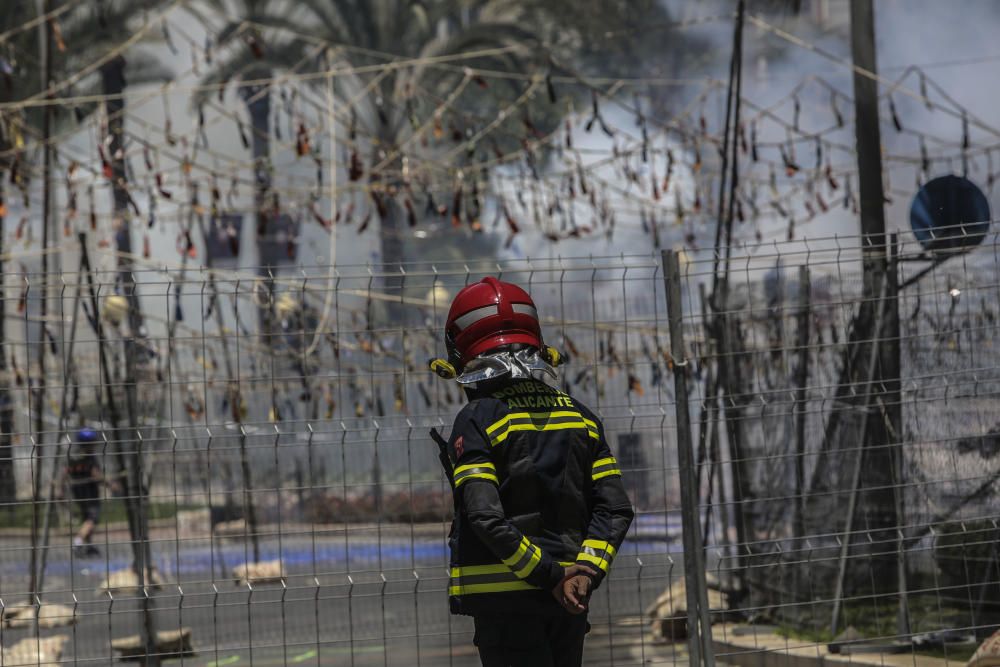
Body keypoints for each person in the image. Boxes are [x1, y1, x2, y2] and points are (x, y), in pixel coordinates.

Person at [432, 277, 634, 667]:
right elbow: (615, 510)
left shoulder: (478, 419)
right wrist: (585, 572)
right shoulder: (581, 417)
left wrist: (549, 575)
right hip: (571, 602)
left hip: (506, 609)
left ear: (460, 349)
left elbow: (484, 516)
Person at [58, 428, 117, 558]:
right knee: (92, 519)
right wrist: (110, 484)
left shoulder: (73, 456)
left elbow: (64, 473)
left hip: (77, 491)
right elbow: (96, 475)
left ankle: (89, 545)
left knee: (86, 518)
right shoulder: (89, 458)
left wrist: (60, 489)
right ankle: (77, 543)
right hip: (90, 492)